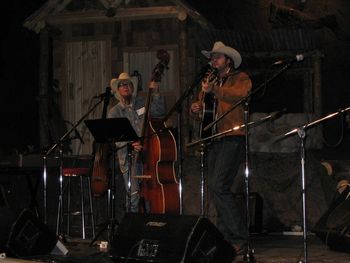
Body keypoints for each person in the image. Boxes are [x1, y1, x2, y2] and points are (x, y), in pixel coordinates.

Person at [190, 41, 252, 254]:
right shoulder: (210, 81)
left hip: (233, 136)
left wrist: (214, 90)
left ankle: (240, 236)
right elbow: (205, 112)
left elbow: (240, 96)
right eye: (212, 57)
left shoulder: (240, 78)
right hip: (215, 138)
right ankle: (227, 237)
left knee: (218, 185)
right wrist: (197, 108)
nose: (213, 60)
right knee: (218, 188)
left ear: (228, 60)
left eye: (217, 57)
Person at [108, 72, 166, 212]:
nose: (125, 87)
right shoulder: (114, 112)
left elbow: (159, 111)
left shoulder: (141, 102)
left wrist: (156, 92)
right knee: (133, 198)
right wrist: (131, 144)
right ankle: (132, 226)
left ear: (132, 87)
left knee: (147, 197)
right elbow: (115, 138)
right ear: (118, 90)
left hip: (148, 156)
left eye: (128, 84)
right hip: (129, 159)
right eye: (121, 85)